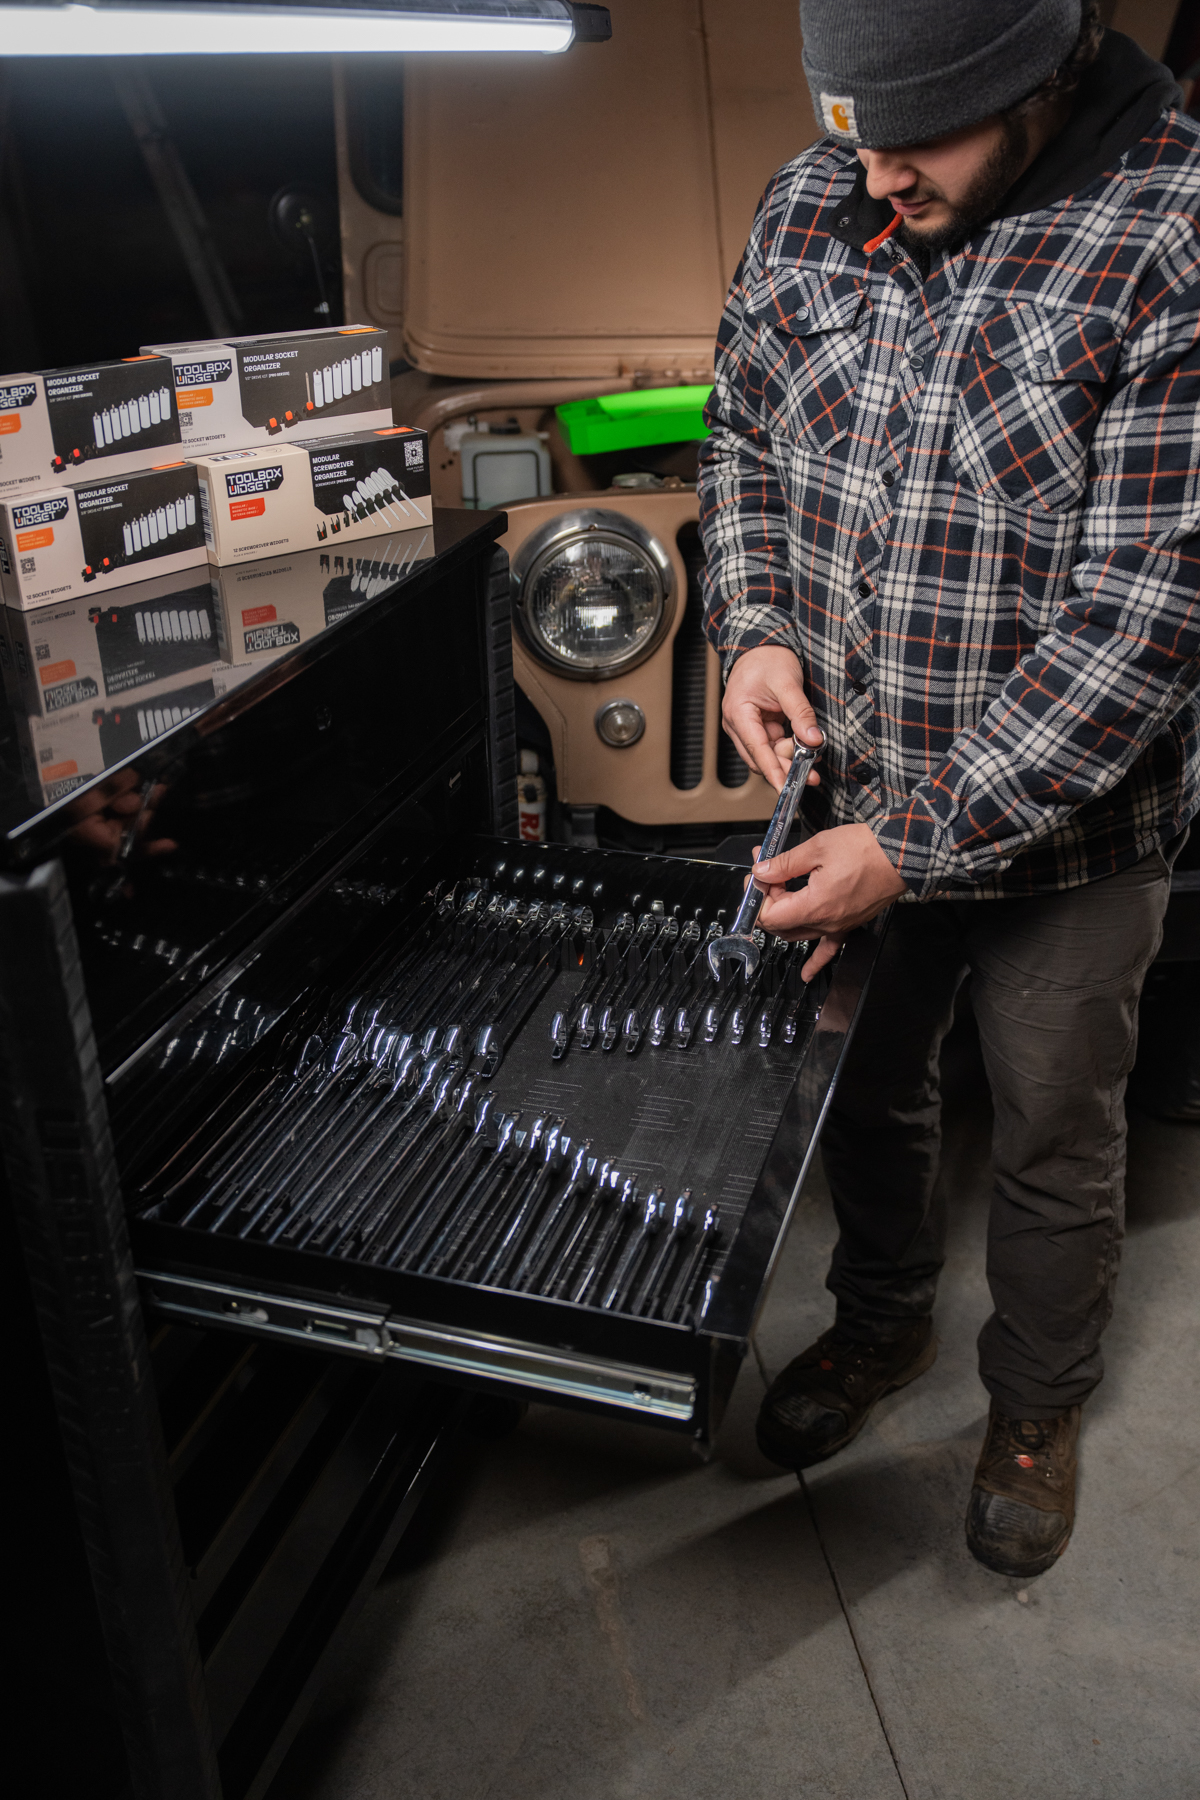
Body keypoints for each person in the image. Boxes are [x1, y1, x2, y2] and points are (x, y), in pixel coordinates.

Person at [699, 0, 1197, 1579]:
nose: (873, 181)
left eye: (917, 138)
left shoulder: (1171, 236)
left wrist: (912, 844)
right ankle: (881, 1321)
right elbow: (742, 436)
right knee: (864, 1085)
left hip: (1074, 839)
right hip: (850, 784)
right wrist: (753, 625)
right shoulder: (818, 194)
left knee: (1055, 1128)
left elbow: (1142, 625)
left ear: (1044, 77)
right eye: (853, 134)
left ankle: (1036, 1406)